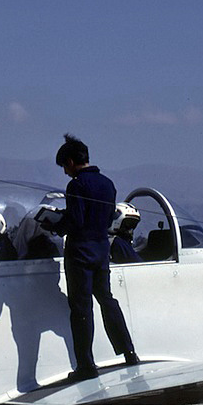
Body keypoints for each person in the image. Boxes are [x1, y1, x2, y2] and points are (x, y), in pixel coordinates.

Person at [49, 133, 138, 380]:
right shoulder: (108, 184)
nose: (65, 172)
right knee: (107, 299)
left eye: (64, 167)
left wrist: (57, 225)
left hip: (80, 253)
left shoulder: (76, 185)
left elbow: (76, 220)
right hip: (101, 250)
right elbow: (109, 217)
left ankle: (86, 366)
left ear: (70, 161)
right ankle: (128, 351)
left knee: (81, 308)